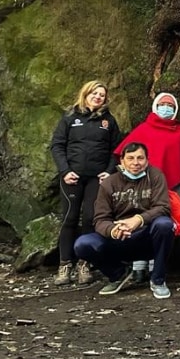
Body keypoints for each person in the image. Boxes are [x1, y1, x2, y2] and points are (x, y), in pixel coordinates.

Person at [74, 142, 174, 299]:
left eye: (140, 158)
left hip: (147, 236)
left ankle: (158, 279)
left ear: (147, 160)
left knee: (164, 224)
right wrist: (113, 230)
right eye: (131, 158)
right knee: (83, 244)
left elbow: (163, 207)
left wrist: (139, 219)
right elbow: (100, 219)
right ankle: (118, 274)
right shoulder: (109, 183)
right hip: (120, 238)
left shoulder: (155, 176)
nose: (136, 163)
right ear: (122, 161)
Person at [115, 92, 180, 281]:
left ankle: (155, 266)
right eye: (162, 104)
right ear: (155, 106)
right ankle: (138, 266)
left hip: (169, 187)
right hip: (140, 184)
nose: (166, 108)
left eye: (170, 106)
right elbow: (125, 153)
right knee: (137, 220)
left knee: (162, 224)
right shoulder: (143, 129)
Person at [50, 80, 121, 286]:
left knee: (90, 218)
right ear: (86, 94)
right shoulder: (70, 117)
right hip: (72, 176)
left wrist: (108, 172)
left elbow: (116, 150)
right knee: (69, 218)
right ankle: (64, 265)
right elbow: (57, 145)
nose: (98, 97)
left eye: (102, 95)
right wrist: (65, 171)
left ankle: (85, 263)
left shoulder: (109, 121)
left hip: (96, 178)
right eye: (94, 93)